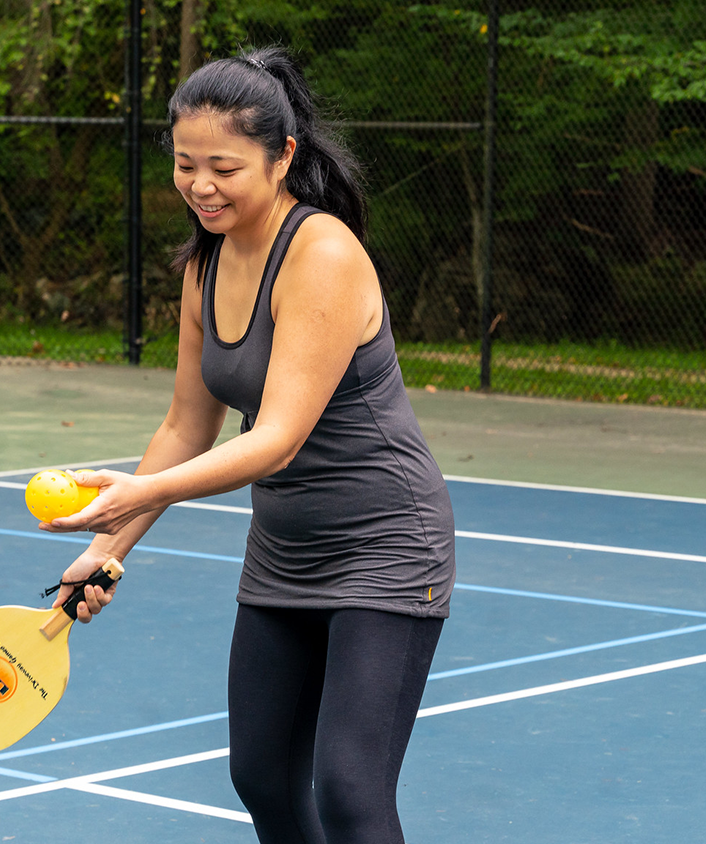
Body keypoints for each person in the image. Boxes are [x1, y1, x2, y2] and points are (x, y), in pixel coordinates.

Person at [40, 44, 456, 844]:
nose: (200, 185)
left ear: (283, 156)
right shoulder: (203, 267)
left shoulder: (323, 253)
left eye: (223, 167)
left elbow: (275, 439)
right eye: (184, 163)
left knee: (349, 790)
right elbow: (185, 426)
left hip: (387, 545)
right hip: (286, 553)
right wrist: (105, 548)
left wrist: (138, 494)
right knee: (261, 776)